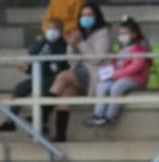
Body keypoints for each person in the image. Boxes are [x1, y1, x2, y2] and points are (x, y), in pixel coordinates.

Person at [47, 2, 111, 142]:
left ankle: (43, 113)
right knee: (66, 94)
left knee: (63, 77)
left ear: (96, 16)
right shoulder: (79, 32)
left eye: (89, 15)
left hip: (94, 75)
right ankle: (60, 135)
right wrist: (71, 44)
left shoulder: (103, 33)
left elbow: (98, 59)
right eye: (83, 15)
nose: (85, 18)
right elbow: (72, 61)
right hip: (79, 72)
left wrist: (80, 43)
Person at [0, 19, 70, 133]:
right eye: (49, 28)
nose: (51, 31)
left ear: (61, 30)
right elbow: (33, 54)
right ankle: (10, 121)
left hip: (54, 79)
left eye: (55, 29)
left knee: (44, 90)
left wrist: (29, 69)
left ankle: (42, 123)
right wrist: (27, 68)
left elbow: (54, 69)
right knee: (19, 88)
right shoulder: (43, 43)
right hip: (38, 76)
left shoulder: (62, 45)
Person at [85, 16, 152, 127]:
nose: (122, 36)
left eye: (125, 33)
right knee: (102, 86)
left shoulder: (139, 49)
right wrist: (107, 72)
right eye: (120, 34)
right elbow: (117, 65)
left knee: (117, 87)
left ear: (134, 34)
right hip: (120, 77)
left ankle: (110, 116)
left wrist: (115, 74)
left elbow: (135, 67)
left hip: (136, 79)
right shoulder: (122, 49)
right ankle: (98, 115)